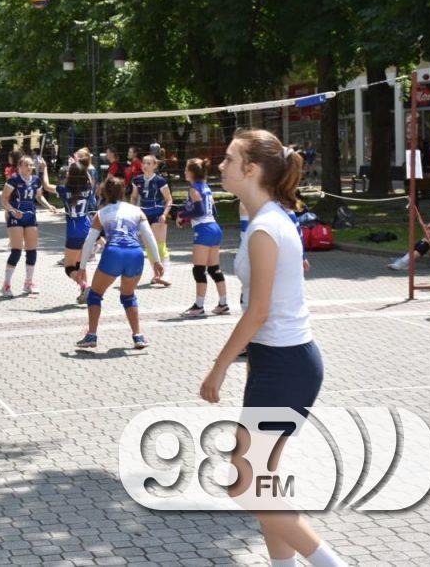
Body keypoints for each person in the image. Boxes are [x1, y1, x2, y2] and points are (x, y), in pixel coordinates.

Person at [199, 129, 343, 567]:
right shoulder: (266, 218)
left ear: (251, 169)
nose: (220, 165)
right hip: (277, 362)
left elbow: (258, 312)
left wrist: (219, 366)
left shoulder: (266, 227)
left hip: (286, 366)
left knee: (243, 484)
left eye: (229, 158)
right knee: (262, 481)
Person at [73, 176, 163, 351]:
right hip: (135, 254)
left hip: (114, 253)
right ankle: (138, 336)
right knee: (128, 296)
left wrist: (82, 266)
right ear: (124, 191)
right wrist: (157, 261)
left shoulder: (101, 213)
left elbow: (89, 241)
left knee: (94, 295)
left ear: (104, 193)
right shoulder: (137, 210)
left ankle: (91, 335)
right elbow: (149, 236)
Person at [177, 158, 228, 317]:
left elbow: (199, 211)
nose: (185, 172)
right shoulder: (206, 187)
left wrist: (182, 215)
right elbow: (213, 211)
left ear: (192, 173)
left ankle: (198, 307)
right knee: (214, 269)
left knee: (199, 270)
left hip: (204, 230)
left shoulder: (193, 188)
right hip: (214, 228)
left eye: (186, 169)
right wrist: (187, 217)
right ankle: (223, 304)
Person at [0, 155, 57, 296]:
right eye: (26, 165)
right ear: (20, 167)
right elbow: (4, 199)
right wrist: (12, 211)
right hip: (16, 217)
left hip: (30, 216)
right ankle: (6, 285)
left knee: (32, 250)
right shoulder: (14, 180)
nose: (30, 167)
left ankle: (28, 283)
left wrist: (48, 205)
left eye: (31, 165)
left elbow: (39, 196)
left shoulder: (36, 180)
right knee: (16, 251)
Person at [42, 160, 91, 303]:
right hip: (87, 229)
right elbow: (88, 177)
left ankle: (84, 285)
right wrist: (79, 165)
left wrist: (44, 168)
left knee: (69, 267)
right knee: (80, 265)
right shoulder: (88, 188)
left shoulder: (65, 190)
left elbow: (46, 185)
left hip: (74, 231)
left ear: (71, 175)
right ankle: (85, 294)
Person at [130, 154, 173, 286]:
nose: (145, 165)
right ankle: (156, 274)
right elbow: (134, 198)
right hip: (143, 216)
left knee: (160, 245)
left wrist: (164, 214)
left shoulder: (160, 180)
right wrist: (132, 212)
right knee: (149, 246)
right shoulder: (137, 180)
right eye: (144, 163)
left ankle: (166, 275)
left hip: (157, 215)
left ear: (155, 165)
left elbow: (169, 200)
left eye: (149, 163)